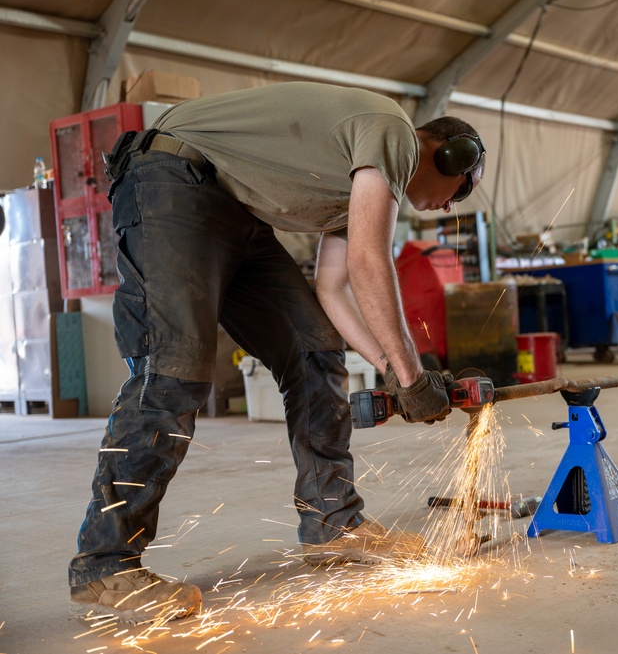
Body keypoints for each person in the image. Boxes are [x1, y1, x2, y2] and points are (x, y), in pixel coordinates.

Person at [68, 82, 486, 623]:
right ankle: (105, 561)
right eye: (460, 191)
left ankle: (332, 523)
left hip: (237, 213)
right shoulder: (395, 135)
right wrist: (411, 376)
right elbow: (368, 262)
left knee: (315, 352)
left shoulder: (364, 178)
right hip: (173, 181)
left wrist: (391, 369)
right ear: (453, 155)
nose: (451, 205)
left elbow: (333, 289)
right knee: (174, 370)